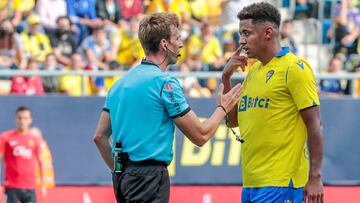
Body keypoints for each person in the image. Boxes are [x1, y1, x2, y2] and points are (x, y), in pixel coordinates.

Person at [93, 13, 243, 203]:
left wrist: (119, 170)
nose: (181, 44)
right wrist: (224, 106)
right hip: (149, 178)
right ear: (164, 44)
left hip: (122, 177)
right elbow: (200, 135)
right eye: (178, 38)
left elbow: (99, 137)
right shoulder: (164, 82)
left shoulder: (119, 84)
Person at [221, 2, 323, 203]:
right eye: (240, 34)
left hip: (282, 183)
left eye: (246, 33)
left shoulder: (295, 69)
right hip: (251, 184)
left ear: (268, 32)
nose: (241, 41)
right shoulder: (253, 72)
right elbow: (232, 122)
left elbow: (315, 125)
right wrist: (226, 78)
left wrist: (315, 177)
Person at [0, 106, 46, 203]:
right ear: (16, 119)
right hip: (11, 187)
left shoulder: (35, 139)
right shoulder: (6, 137)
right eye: (19, 118)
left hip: (29, 187)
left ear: (30, 120)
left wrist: (43, 184)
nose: (22, 121)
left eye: (25, 118)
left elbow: (41, 162)